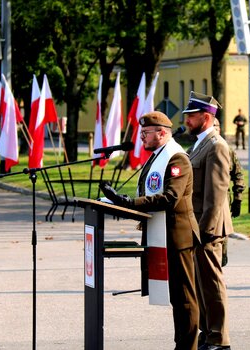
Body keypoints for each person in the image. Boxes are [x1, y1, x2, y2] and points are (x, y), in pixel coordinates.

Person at [99, 111, 200, 350]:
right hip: (162, 232)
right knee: (176, 296)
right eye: (141, 132)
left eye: (146, 133)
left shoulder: (177, 159)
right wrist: (117, 202)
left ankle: (188, 346)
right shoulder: (156, 157)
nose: (141, 137)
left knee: (184, 297)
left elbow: (169, 198)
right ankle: (182, 344)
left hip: (178, 236)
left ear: (162, 133)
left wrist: (127, 203)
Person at [183, 91, 233, 350]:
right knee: (201, 285)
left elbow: (215, 196)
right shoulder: (199, 144)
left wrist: (203, 231)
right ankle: (207, 332)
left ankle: (218, 338)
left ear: (205, 117)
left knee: (212, 285)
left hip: (208, 228)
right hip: (197, 226)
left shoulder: (217, 146)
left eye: (191, 116)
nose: (187, 121)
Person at [213, 118, 245, 266]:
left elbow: (238, 175)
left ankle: (220, 267)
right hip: (201, 202)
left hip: (223, 201)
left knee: (221, 236)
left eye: (216, 126)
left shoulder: (227, 149)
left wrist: (238, 199)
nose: (213, 129)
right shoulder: (196, 149)